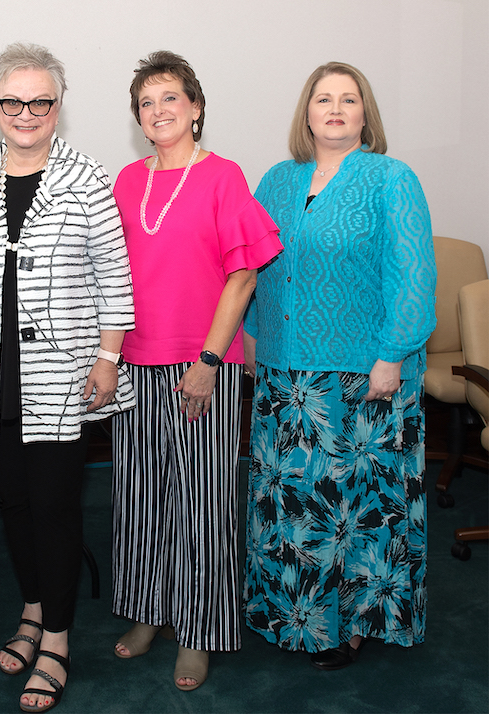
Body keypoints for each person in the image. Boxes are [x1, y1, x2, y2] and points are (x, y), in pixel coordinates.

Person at [0, 42, 135, 713]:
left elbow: (115, 277)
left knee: (53, 506)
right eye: (13, 101)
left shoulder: (87, 179)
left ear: (58, 107)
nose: (26, 112)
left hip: (63, 375)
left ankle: (56, 638)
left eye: (40, 101)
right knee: (15, 501)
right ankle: (31, 608)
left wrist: (109, 358)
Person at [243, 62, 436, 671]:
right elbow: (249, 267)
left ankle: (350, 624)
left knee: (352, 508)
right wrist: (249, 337)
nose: (335, 108)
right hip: (282, 371)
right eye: (322, 98)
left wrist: (391, 356)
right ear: (306, 112)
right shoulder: (276, 180)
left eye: (348, 100)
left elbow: (414, 279)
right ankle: (287, 611)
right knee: (288, 502)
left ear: (364, 114)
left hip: (362, 375)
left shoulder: (390, 179)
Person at [109, 51, 282, 692]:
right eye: (146, 102)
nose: (158, 111)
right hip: (136, 359)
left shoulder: (223, 176)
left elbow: (243, 274)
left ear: (196, 107)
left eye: (170, 99)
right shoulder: (126, 181)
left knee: (203, 502)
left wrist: (209, 360)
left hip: (203, 361)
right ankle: (150, 611)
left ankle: (200, 628)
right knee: (141, 497)